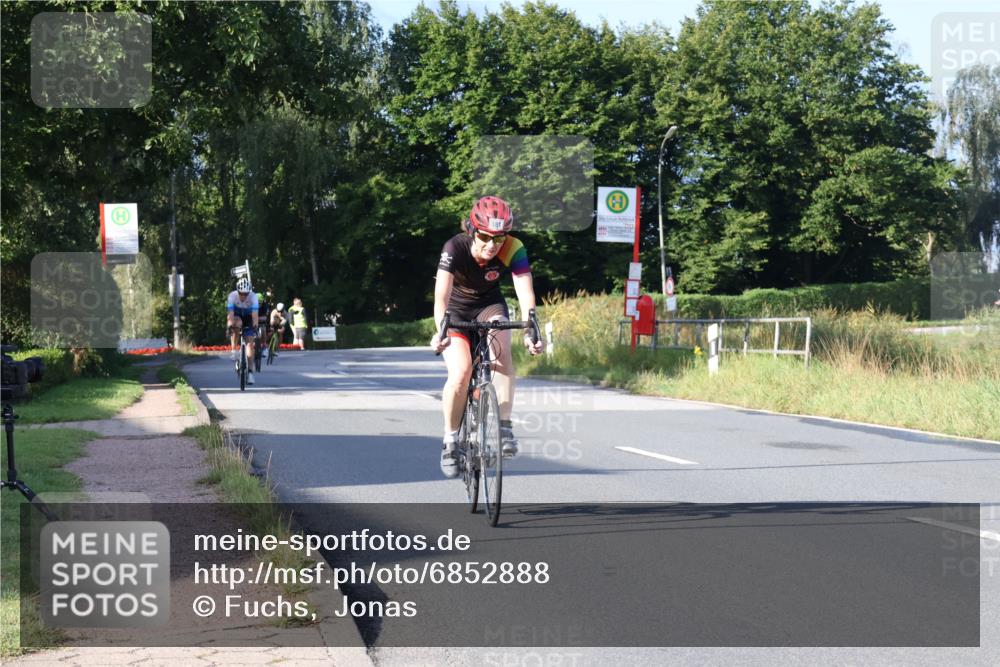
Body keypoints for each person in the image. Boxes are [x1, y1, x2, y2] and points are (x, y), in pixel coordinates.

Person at [430, 196, 544, 478]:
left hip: (489, 306)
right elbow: (441, 296)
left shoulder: (513, 248)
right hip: (456, 311)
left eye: (500, 237)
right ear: (472, 230)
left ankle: (504, 428)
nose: (492, 245)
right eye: (485, 237)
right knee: (461, 372)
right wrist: (441, 330)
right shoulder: (454, 247)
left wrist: (532, 330)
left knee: (502, 354)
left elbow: (525, 293)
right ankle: (450, 441)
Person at [226, 276, 259, 385]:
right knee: (236, 324)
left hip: (249, 317)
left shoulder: (253, 297)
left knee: (250, 344)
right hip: (237, 315)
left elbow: (255, 315)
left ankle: (250, 373)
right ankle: (234, 350)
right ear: (238, 291)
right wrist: (230, 324)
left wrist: (255, 326)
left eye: (246, 294)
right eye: (241, 293)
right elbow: (230, 314)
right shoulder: (232, 296)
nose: (243, 296)